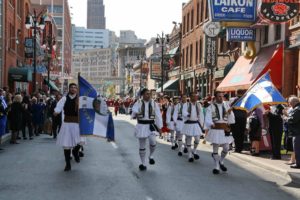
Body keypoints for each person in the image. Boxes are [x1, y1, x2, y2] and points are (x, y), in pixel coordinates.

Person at [131, 88, 163, 171]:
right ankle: (143, 163)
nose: (148, 95)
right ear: (142, 95)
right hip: (141, 125)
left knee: (153, 141)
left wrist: (160, 127)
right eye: (146, 94)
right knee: (142, 145)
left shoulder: (154, 103)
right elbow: (134, 110)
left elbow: (158, 115)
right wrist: (136, 112)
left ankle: (151, 155)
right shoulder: (138, 102)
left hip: (151, 125)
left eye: (149, 94)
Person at [205, 91, 235, 175]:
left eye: (222, 96)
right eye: (219, 96)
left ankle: (221, 161)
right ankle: (216, 166)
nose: (221, 98)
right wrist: (211, 123)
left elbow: (231, 120)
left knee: (226, 147)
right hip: (215, 129)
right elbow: (207, 118)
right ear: (215, 97)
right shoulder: (211, 107)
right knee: (216, 147)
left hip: (224, 129)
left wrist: (230, 113)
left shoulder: (226, 105)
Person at [54, 83, 81, 171]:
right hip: (67, 123)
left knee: (79, 142)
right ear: (69, 89)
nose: (73, 89)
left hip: (77, 124)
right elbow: (59, 106)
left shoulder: (80, 99)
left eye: (75, 87)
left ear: (77, 89)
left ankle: (75, 152)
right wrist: (56, 111)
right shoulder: (64, 98)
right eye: (72, 87)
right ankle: (68, 164)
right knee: (66, 144)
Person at [181, 92, 204, 162]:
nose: (195, 98)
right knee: (189, 139)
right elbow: (183, 112)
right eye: (193, 96)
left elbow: (201, 115)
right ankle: (189, 155)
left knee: (197, 138)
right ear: (190, 97)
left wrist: (202, 125)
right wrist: (188, 114)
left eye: (195, 96)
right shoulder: (186, 104)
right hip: (188, 123)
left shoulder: (199, 105)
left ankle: (194, 150)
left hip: (196, 123)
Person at [287, 96, 300, 169]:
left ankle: (298, 164)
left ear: (294, 103)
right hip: (297, 131)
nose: (289, 104)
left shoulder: (297, 109)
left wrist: (286, 117)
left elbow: (293, 119)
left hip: (297, 132)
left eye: (290, 103)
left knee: (297, 149)